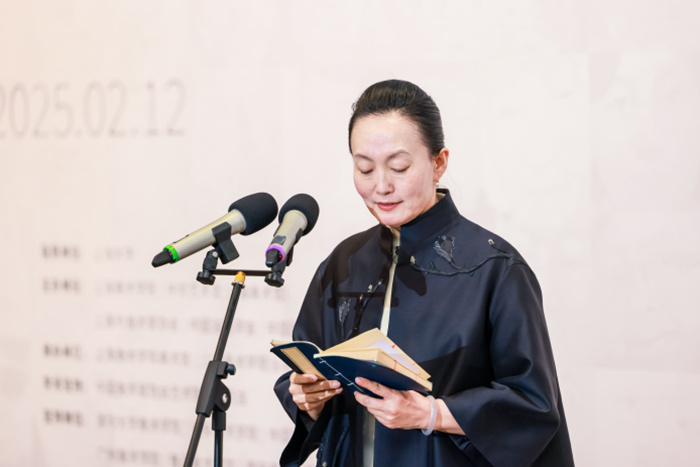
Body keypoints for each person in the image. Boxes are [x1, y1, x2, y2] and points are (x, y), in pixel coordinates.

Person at [273, 79, 574, 467]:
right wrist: (307, 398)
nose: (381, 186)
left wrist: (431, 414)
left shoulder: (495, 269)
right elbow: (306, 368)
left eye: (399, 167)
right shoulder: (343, 263)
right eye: (365, 168)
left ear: (439, 163)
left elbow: (533, 404)